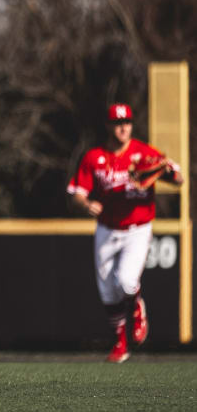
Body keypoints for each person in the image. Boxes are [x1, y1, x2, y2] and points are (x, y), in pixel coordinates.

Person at [67, 103, 183, 363]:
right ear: (108, 126)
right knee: (107, 291)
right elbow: (76, 193)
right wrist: (85, 204)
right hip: (107, 229)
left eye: (127, 122)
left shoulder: (143, 153)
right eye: (118, 122)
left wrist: (165, 171)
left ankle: (137, 307)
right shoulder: (94, 157)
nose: (123, 127)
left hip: (137, 229)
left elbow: (178, 178)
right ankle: (120, 343)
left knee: (127, 281)